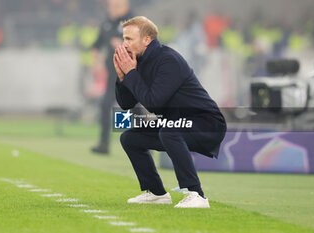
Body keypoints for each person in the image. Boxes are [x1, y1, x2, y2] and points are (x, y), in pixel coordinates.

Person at [114, 16, 226, 208]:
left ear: (147, 39)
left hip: (207, 123)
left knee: (170, 131)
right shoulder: (138, 62)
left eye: (129, 39)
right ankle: (156, 193)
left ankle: (196, 195)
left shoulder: (168, 60)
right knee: (130, 138)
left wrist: (131, 74)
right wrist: (122, 77)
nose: (124, 45)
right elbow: (126, 104)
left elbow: (154, 103)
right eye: (124, 39)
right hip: (176, 123)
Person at [90, 0, 133, 155]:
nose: (112, 9)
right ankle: (104, 144)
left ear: (126, 7)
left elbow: (142, 45)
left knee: (134, 107)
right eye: (111, 6)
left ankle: (146, 142)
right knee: (105, 104)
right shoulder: (107, 23)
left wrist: (124, 44)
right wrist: (95, 62)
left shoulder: (134, 23)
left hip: (130, 72)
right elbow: (97, 45)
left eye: (117, 6)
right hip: (113, 73)